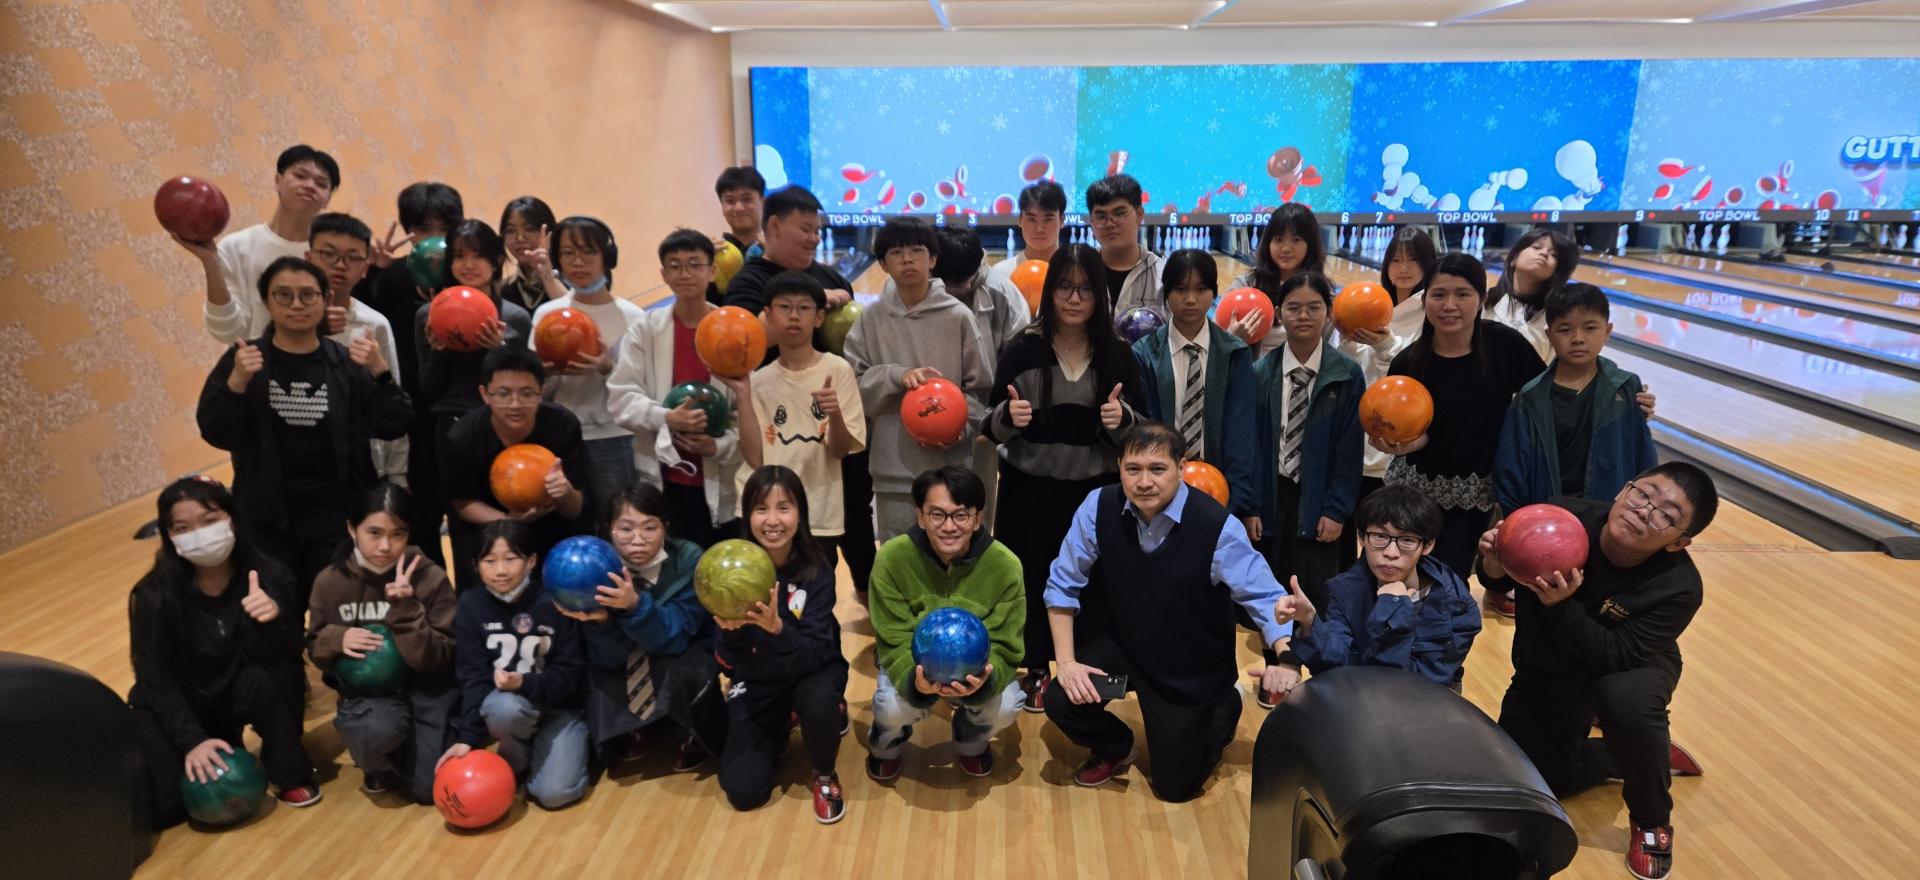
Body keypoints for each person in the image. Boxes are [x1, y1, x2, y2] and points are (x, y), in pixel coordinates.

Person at [1481, 463, 1718, 880]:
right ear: (1623, 490)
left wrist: (1561, 606)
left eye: (1666, 515)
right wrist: (1494, 563)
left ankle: (1652, 820)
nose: (1644, 511)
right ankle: (1633, 754)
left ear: (1678, 542)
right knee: (1536, 781)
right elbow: (1499, 581)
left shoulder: (1678, 587)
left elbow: (1613, 656)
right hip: (1552, 660)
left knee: (1626, 704)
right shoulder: (1560, 519)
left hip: (1632, 659)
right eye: (1643, 494)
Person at [1043, 423, 1296, 802]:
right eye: (1133, 469)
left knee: (1175, 788)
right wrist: (1065, 663)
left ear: (1181, 468)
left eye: (1157, 469)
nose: (1144, 481)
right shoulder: (1097, 506)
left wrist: (1287, 659)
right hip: (1125, 657)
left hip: (1187, 670)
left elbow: (1265, 598)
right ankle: (1116, 746)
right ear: (1119, 467)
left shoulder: (1217, 527)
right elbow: (1062, 586)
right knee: (1063, 698)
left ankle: (1226, 703)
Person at [983, 243, 1144, 712]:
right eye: (1065, 288)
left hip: (1095, 494)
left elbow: (1142, 433)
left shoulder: (1117, 353)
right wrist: (1008, 417)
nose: (1074, 299)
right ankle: (1035, 664)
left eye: (1086, 289)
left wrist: (1122, 421)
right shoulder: (1022, 349)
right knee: (1031, 577)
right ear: (1050, 290)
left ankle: (1088, 664)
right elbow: (988, 426)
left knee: (1093, 581)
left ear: (1100, 296)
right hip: (1028, 490)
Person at [196, 257, 413, 601]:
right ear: (267, 301)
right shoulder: (245, 360)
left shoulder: (344, 362)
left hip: (337, 514)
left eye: (307, 295)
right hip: (266, 516)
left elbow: (393, 424)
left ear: (325, 300)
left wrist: (381, 372)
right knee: (277, 609)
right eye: (283, 295)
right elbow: (216, 432)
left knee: (338, 607)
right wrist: (236, 383)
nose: (296, 304)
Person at [129, 476, 319, 827]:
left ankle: (290, 772)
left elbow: (293, 653)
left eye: (209, 521)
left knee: (274, 675)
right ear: (169, 536)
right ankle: (220, 742)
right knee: (169, 809)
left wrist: (273, 620)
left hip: (236, 688)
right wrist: (193, 741)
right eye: (183, 528)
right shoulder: (153, 596)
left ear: (232, 519)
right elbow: (155, 678)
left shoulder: (270, 574)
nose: (199, 535)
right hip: (181, 700)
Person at [1378, 253, 1547, 590]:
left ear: (1481, 299)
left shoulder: (1504, 346)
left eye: (1462, 294)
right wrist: (1398, 442)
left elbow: (1549, 394)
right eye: (1439, 295)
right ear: (1425, 300)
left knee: (1449, 581)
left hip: (1474, 494)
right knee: (1406, 577)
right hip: (1416, 489)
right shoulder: (1408, 363)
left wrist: (1631, 397)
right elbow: (1410, 431)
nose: (1449, 305)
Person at [1247, 271, 1363, 708]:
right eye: (1294, 307)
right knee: (1272, 586)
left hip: (1320, 499)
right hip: (1272, 496)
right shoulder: (1260, 372)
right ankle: (1277, 667)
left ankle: (1318, 672)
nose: (1303, 316)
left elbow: (1350, 451)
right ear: (1279, 313)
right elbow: (1250, 447)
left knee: (1317, 587)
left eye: (1314, 307)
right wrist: (1250, 505)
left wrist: (1337, 509)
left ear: (1328, 313)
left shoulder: (1346, 374)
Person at [864, 466, 1025, 782]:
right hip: (915, 668)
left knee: (1007, 705)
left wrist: (984, 681)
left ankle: (969, 738)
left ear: (977, 519)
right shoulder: (892, 558)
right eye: (937, 514)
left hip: (975, 672)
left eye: (960, 515)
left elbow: (1007, 644)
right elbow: (892, 637)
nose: (948, 526)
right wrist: (915, 683)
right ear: (920, 516)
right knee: (891, 708)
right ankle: (886, 743)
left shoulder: (1005, 565)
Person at [305, 482, 458, 803]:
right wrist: (337, 638)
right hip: (371, 698)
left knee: (428, 789)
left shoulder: (429, 577)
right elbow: (315, 647)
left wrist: (405, 612)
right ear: (352, 529)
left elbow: (439, 659)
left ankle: (415, 745)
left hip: (426, 689)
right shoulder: (330, 581)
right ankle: (380, 763)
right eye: (374, 533)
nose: (385, 546)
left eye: (397, 534)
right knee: (373, 729)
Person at [714, 467, 850, 823]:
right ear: (747, 515)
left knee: (818, 699)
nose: (772, 520)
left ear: (800, 513)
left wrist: (777, 628)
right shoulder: (731, 571)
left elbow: (815, 654)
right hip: (760, 679)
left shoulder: (817, 569)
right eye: (761, 508)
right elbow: (729, 662)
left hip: (814, 670)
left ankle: (824, 773)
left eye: (783, 508)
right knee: (743, 790)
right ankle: (781, 723)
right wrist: (732, 632)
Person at [843, 216, 991, 541]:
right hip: (892, 470)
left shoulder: (959, 317)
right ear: (883, 264)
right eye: (896, 253)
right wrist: (896, 375)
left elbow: (981, 391)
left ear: (933, 259)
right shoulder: (870, 319)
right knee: (898, 559)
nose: (907, 259)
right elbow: (851, 387)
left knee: (949, 557)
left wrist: (960, 428)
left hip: (949, 469)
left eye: (916, 251)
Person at [565, 485, 728, 774]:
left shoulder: (688, 558)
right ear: (609, 529)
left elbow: (676, 636)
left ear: (665, 528)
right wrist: (601, 623)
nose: (638, 540)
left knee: (683, 667)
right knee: (602, 674)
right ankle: (634, 727)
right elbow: (607, 658)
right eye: (626, 529)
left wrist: (635, 606)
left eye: (649, 528)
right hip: (627, 654)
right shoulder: (594, 568)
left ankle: (691, 731)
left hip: (684, 650)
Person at [606, 229, 743, 547]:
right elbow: (621, 398)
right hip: (662, 481)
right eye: (675, 265)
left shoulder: (732, 330)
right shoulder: (645, 329)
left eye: (695, 264)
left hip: (718, 478)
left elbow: (744, 409)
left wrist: (717, 446)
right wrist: (667, 418)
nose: (685, 273)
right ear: (664, 274)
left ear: (712, 271)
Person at [438, 520, 589, 810]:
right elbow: (472, 676)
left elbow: (571, 673)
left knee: (554, 794)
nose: (501, 570)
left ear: (531, 561)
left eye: (511, 558)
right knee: (502, 707)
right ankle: (515, 766)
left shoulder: (555, 600)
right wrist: (468, 737)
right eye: (489, 561)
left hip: (560, 709)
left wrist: (524, 682)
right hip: (512, 708)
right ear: (475, 566)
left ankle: (557, 753)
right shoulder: (471, 604)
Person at [717, 271, 865, 560]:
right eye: (784, 307)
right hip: (764, 512)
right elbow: (755, 459)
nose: (794, 316)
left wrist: (834, 413)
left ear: (819, 317)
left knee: (816, 588)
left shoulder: (837, 370)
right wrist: (743, 395)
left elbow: (840, 451)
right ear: (769, 316)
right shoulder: (758, 380)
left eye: (804, 308)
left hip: (818, 512)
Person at [1277, 484, 1480, 690]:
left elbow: (1406, 688)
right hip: (1359, 695)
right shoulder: (1345, 591)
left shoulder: (1457, 606)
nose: (1391, 553)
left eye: (1407, 540)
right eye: (1380, 537)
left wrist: (1393, 609)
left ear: (1427, 545)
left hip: (1423, 702)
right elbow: (1336, 670)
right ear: (1361, 538)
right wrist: (1309, 622)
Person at [361, 181, 464, 569]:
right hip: (413, 416)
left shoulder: (469, 275)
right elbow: (361, 317)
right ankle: (431, 593)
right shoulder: (391, 276)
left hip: (463, 412)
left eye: (444, 228)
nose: (434, 238)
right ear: (408, 232)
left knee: (466, 510)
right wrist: (372, 272)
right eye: (422, 229)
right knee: (420, 517)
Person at [1494, 282, 1658, 515]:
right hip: (1549, 518)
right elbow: (1511, 471)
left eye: (1590, 328)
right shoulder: (1530, 398)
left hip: (1609, 517)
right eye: (1565, 330)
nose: (1578, 338)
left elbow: (1644, 459)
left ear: (1607, 331)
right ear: (1549, 335)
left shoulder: (1626, 388)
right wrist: (1520, 520)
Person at [526, 216, 647, 522]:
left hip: (614, 436)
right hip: (560, 436)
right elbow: (534, 388)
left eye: (588, 252)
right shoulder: (547, 314)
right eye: (568, 253)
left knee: (616, 522)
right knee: (566, 523)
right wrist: (544, 374)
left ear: (607, 257)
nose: (578, 262)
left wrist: (608, 368)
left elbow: (643, 389)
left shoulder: (633, 317)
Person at [1130, 248, 1258, 527]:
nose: (1190, 299)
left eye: (1201, 289)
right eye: (1180, 289)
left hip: (1221, 496)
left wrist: (1236, 504)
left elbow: (1241, 433)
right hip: (1160, 493)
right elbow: (1146, 427)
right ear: (1166, 294)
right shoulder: (1144, 353)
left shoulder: (1235, 353)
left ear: (1214, 293)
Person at [442, 346, 590, 585]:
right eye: (503, 394)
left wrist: (565, 492)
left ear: (541, 393)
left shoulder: (563, 425)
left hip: (551, 524)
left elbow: (573, 509)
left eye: (526, 393)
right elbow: (465, 505)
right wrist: (509, 521)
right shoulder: (462, 436)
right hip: (488, 527)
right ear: (485, 394)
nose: (515, 404)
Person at [1335, 226, 1436, 568]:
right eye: (1395, 259)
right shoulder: (1370, 303)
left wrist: (1384, 345)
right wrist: (1346, 339)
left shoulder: (1431, 312)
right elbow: (1352, 368)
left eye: (1413, 260)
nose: (1403, 268)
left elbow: (1412, 372)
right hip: (1357, 434)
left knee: (1388, 539)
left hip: (1398, 440)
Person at [183, 144, 339, 344]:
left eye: (321, 184)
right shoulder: (236, 246)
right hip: (252, 361)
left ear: (328, 199)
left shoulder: (334, 255)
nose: (310, 185)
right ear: (278, 181)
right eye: (300, 176)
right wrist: (211, 263)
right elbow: (226, 332)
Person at [935, 226, 1031, 528]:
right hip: (928, 410)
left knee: (975, 503)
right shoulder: (920, 287)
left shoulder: (1002, 292)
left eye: (964, 281)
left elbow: (1018, 361)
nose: (957, 289)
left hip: (982, 413)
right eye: (949, 283)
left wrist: (993, 419)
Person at [308, 212, 408, 487]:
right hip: (302, 463)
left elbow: (393, 396)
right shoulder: (284, 320)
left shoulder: (374, 324)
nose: (340, 265)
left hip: (363, 463)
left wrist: (398, 473)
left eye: (353, 257)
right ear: (308, 257)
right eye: (329, 254)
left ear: (365, 268)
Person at [722, 185, 855, 314]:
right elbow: (753, 329)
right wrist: (815, 299)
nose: (815, 239)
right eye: (805, 229)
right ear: (774, 226)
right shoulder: (746, 287)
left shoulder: (834, 280)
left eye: (817, 231)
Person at [1232, 203, 1327, 357]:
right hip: (1256, 370)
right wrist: (1233, 338)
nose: (1286, 248)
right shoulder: (1247, 285)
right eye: (1279, 239)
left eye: (1296, 240)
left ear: (1310, 244)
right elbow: (1218, 339)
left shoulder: (1321, 289)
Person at [1486, 228, 1578, 361]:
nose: (1544, 253)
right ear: (1514, 258)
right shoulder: (1483, 301)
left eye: (1553, 255)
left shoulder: (1555, 317)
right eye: (1536, 247)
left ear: (1557, 271)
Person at [1084, 174, 1165, 318]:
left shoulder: (1164, 275)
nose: (1110, 224)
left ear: (1139, 215)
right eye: (1101, 216)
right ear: (1091, 221)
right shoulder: (1078, 271)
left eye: (1120, 214)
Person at [989, 179, 1066, 285]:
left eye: (1048, 219)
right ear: (1020, 219)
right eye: (1032, 219)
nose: (1039, 229)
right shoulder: (1000, 275)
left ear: (1062, 220)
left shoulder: (1076, 275)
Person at [499, 196, 559, 312]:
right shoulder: (503, 290)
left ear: (549, 233)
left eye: (530, 229)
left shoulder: (572, 281)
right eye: (510, 230)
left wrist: (547, 277)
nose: (520, 238)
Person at [713, 165, 767, 295]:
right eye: (730, 201)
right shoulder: (715, 252)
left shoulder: (778, 250)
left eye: (747, 199)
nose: (738, 208)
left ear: (763, 202)